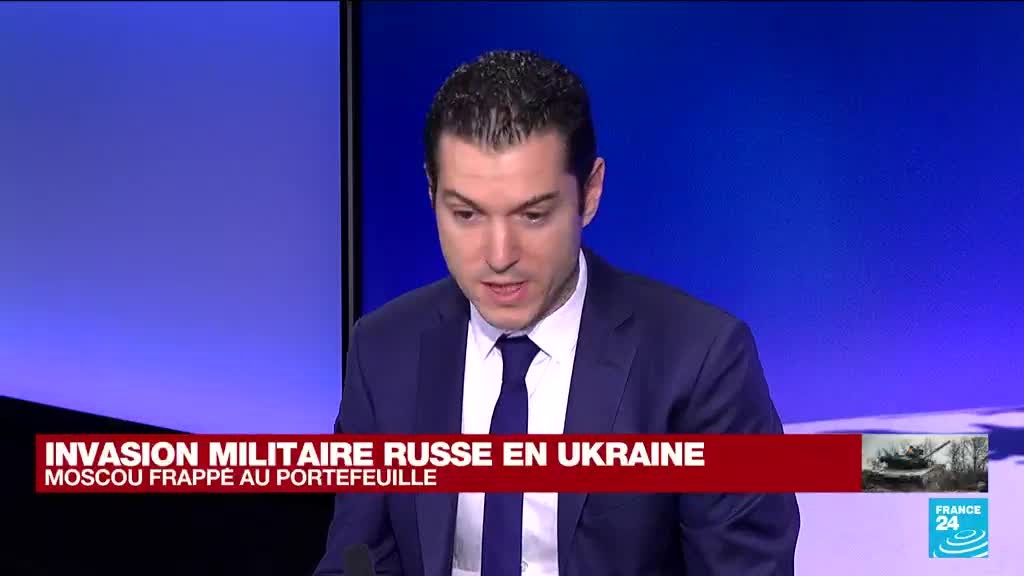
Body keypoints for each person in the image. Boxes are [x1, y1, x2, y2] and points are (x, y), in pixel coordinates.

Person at [315, 50, 799, 576]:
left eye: (534, 214)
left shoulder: (701, 361)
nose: (499, 255)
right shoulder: (383, 350)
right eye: (466, 214)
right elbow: (357, 560)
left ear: (589, 193)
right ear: (431, 193)